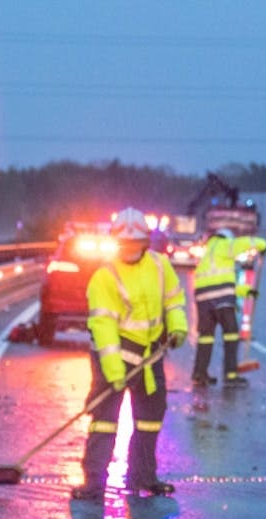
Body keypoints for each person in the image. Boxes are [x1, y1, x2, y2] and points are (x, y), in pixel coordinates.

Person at [72, 207, 189, 500]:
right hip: (116, 355)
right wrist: (114, 373)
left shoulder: (160, 266)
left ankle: (143, 477)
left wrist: (177, 329)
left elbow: (174, 302)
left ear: (145, 241)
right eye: (124, 243)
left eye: (135, 242)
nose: (130, 248)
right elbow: (104, 329)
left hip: (150, 356)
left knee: (150, 419)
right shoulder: (105, 277)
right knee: (104, 420)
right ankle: (94, 483)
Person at [190, 226, 256, 387]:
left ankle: (200, 374)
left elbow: (223, 283)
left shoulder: (208, 253)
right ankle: (231, 375)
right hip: (221, 302)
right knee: (231, 336)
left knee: (205, 338)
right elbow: (243, 244)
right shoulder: (224, 245)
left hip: (204, 300)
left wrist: (247, 290)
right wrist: (261, 244)